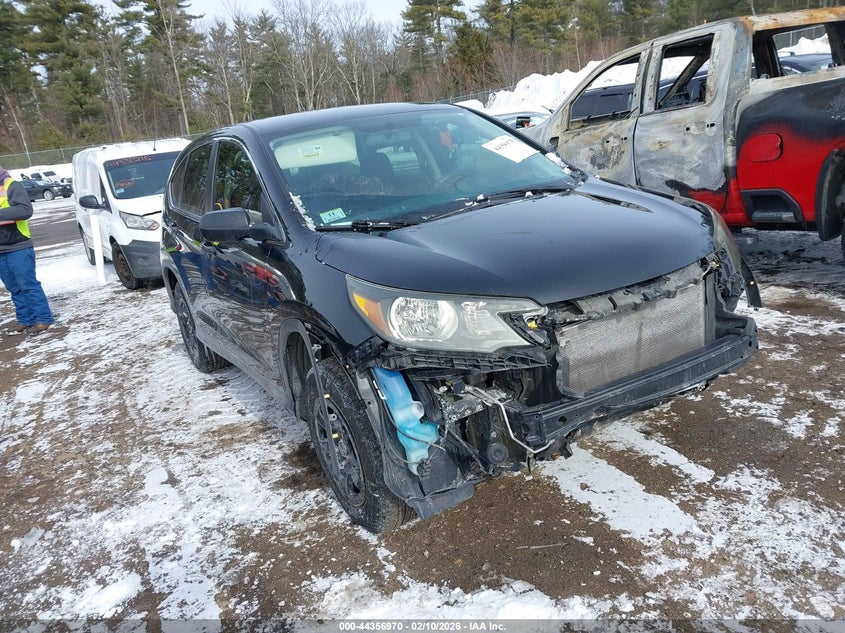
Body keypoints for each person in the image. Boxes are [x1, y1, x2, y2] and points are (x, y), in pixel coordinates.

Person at [0, 165, 54, 334]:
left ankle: (43, 318)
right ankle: (25, 319)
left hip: (18, 245)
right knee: (13, 287)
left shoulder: (11, 185)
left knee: (27, 284)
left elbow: (25, 210)